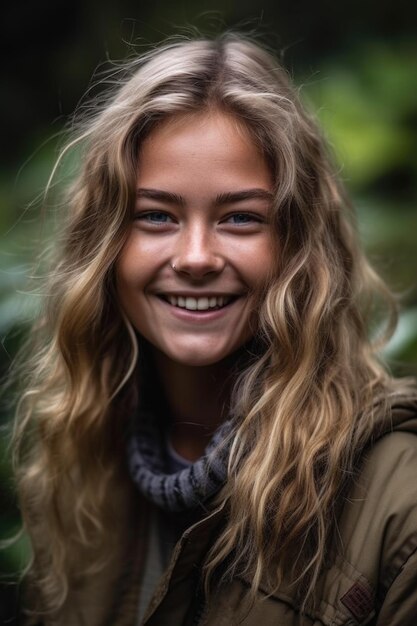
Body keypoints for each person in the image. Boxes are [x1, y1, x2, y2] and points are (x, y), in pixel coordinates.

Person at [13, 33, 417, 625]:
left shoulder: (398, 501)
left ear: (298, 245)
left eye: (240, 218)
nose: (196, 257)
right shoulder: (78, 474)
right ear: (103, 245)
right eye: (156, 215)